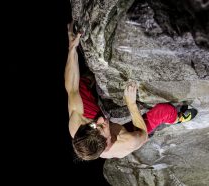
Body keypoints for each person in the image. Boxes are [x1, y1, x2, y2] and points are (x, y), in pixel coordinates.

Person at [65, 24, 197, 161]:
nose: (100, 120)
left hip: (90, 116)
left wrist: (72, 49)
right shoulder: (125, 143)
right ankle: (178, 118)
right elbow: (143, 134)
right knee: (165, 111)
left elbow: (71, 88)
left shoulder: (77, 125)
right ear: (108, 143)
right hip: (131, 129)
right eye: (102, 127)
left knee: (79, 87)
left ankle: (89, 79)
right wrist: (131, 104)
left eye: (93, 125)